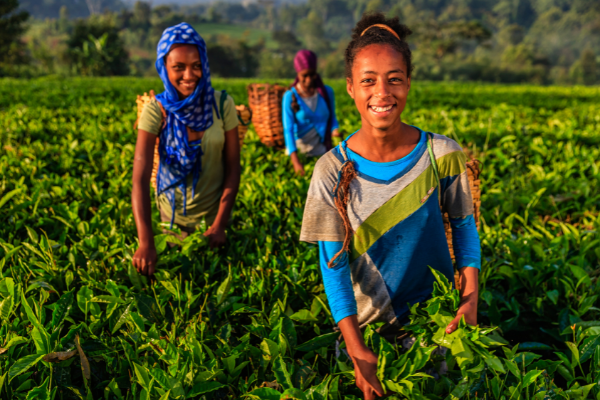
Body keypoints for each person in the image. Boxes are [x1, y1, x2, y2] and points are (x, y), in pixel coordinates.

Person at [299, 13, 481, 399]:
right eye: (368, 80)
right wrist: (355, 347)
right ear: (350, 88)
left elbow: (465, 230)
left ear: (409, 83)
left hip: (434, 332)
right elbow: (332, 267)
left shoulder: (441, 154)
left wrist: (469, 302)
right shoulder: (330, 170)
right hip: (363, 336)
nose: (382, 92)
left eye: (394, 78)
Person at [131, 22, 241, 276]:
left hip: (214, 223)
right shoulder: (156, 110)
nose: (189, 76)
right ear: (164, 68)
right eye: (178, 68)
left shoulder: (222, 104)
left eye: (196, 66)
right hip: (170, 224)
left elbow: (233, 168)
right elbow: (139, 179)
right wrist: (146, 242)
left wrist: (219, 225)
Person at [282, 50, 340, 176]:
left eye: (312, 75)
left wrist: (335, 130)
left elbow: (333, 119)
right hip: (301, 151)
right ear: (298, 74)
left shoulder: (326, 93)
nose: (308, 80)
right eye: (304, 76)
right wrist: (296, 162)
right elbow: (288, 130)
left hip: (323, 151)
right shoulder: (290, 97)